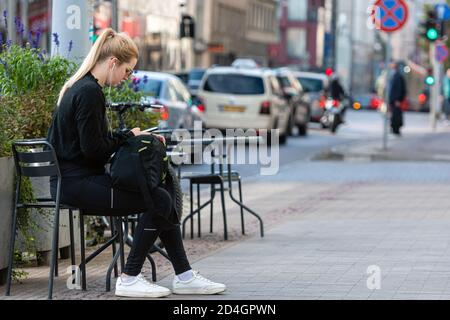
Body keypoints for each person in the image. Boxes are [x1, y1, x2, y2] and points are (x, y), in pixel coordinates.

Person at [47, 28, 226, 298]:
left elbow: (92, 145)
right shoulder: (89, 92)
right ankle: (130, 277)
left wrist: (127, 138)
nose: (127, 78)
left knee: (160, 195)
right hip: (76, 184)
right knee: (161, 200)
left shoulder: (79, 87)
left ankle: (185, 276)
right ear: (113, 63)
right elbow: (93, 149)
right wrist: (129, 137)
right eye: (128, 71)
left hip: (72, 182)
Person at [387, 61, 407, 136]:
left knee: (396, 114)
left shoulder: (397, 76)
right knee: (393, 114)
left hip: (396, 100)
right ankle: (394, 128)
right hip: (393, 99)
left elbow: (399, 89)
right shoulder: (394, 75)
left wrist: (398, 99)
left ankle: (396, 129)